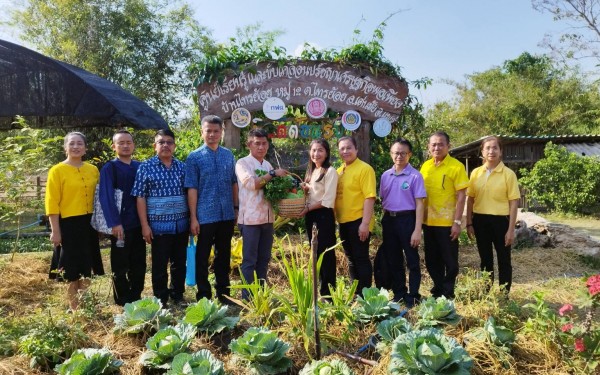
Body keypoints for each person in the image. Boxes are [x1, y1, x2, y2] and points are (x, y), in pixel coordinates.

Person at [45, 132, 104, 310]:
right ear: (65, 148)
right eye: (72, 144)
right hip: (67, 224)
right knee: (71, 268)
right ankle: (74, 308)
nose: (76, 147)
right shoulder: (57, 170)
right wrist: (56, 230)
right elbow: (52, 202)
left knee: (86, 265)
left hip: (89, 223)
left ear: (85, 148)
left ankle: (85, 307)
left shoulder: (93, 170)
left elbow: (99, 198)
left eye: (80, 144)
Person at [131, 129, 189, 306]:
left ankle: (177, 295)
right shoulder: (146, 167)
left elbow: (189, 194)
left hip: (181, 224)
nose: (165, 145)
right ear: (154, 146)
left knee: (179, 263)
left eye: (169, 142)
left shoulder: (182, 167)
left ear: (174, 146)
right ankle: (161, 299)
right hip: (158, 226)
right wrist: (144, 225)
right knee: (159, 264)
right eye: (161, 142)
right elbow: (140, 197)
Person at [185, 115, 238, 304]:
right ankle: (204, 294)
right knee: (202, 255)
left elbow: (234, 183)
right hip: (205, 215)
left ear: (222, 132)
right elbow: (192, 188)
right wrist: (193, 218)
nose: (212, 134)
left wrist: (236, 208)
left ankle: (223, 293)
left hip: (226, 214)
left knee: (223, 255)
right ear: (202, 132)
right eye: (209, 131)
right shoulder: (194, 157)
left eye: (216, 131)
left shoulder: (228, 155)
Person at [235, 128, 287, 300]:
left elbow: (273, 190)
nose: (261, 147)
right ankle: (247, 298)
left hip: (267, 219)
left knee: (264, 259)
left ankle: (261, 295)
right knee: (249, 260)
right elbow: (251, 184)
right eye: (257, 143)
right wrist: (272, 174)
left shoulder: (267, 164)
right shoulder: (242, 163)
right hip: (250, 220)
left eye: (264, 143)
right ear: (249, 144)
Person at [466, 136, 520, 294]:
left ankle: (504, 294)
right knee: (485, 259)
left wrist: (511, 230)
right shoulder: (476, 173)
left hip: (501, 222)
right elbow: (470, 200)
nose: (491, 151)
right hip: (480, 221)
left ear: (501, 151)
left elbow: (514, 203)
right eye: (487, 148)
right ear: (482, 151)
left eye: (495, 147)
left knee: (504, 260)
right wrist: (469, 223)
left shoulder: (508, 174)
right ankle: (485, 291)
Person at [98, 130, 146, 306]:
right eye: (121, 143)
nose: (125, 146)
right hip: (120, 226)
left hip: (138, 224)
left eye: (128, 142)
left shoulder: (140, 166)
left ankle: (136, 295)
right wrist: (115, 222)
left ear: (133, 145)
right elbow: (106, 196)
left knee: (138, 263)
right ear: (114, 146)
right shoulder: (110, 168)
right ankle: (122, 299)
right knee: (120, 264)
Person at [420, 131, 469, 299]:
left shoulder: (456, 166)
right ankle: (438, 289)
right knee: (432, 260)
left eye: (441, 144)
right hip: (428, 221)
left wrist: (457, 221)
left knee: (451, 262)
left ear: (448, 146)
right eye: (433, 144)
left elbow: (462, 196)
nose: (437, 147)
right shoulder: (425, 166)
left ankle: (448, 292)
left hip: (447, 222)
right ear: (428, 147)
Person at [379, 138, 426, 307]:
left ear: (409, 155)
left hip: (408, 220)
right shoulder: (385, 175)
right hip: (389, 220)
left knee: (412, 259)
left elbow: (420, 203)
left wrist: (417, 229)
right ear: (391, 154)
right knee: (394, 259)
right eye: (396, 153)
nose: (399, 156)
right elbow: (383, 199)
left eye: (403, 153)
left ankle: (413, 295)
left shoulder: (415, 176)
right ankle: (399, 293)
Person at [297, 138, 338, 299]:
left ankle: (328, 293)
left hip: (323, 215)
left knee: (326, 254)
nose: (316, 153)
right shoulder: (313, 171)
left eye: (320, 150)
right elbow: (314, 193)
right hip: (311, 215)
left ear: (327, 153)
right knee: (316, 252)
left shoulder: (330, 171)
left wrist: (308, 208)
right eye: (313, 150)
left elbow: (327, 200)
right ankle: (320, 289)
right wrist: (306, 188)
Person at [335, 136, 376, 296]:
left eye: (348, 148)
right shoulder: (339, 171)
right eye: (342, 148)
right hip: (343, 222)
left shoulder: (365, 169)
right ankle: (355, 293)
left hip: (359, 221)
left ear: (356, 149)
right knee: (351, 259)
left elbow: (370, 197)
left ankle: (366, 295)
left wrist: (365, 224)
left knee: (361, 258)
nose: (345, 151)